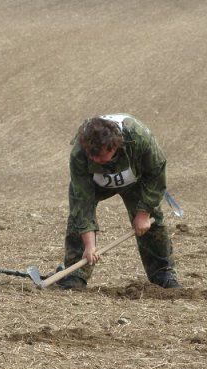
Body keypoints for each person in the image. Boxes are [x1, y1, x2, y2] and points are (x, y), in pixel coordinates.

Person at [58, 113, 181, 289]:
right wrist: (89, 246)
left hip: (136, 180)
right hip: (95, 185)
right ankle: (75, 276)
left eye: (100, 156)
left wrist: (144, 213)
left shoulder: (138, 137)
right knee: (78, 221)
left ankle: (163, 274)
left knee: (153, 222)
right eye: (91, 156)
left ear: (114, 145)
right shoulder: (79, 152)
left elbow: (156, 173)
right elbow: (82, 201)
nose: (95, 160)